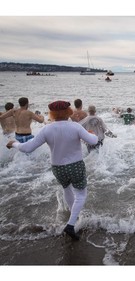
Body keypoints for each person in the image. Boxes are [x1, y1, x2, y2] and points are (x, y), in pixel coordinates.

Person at [6, 100, 98, 240]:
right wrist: (93, 134)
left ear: (52, 113)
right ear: (69, 111)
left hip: (58, 168)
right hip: (75, 165)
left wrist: (14, 143)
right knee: (81, 194)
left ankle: (74, 215)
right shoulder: (75, 127)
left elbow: (28, 148)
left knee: (67, 189)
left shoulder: (47, 129)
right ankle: (71, 224)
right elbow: (93, 141)